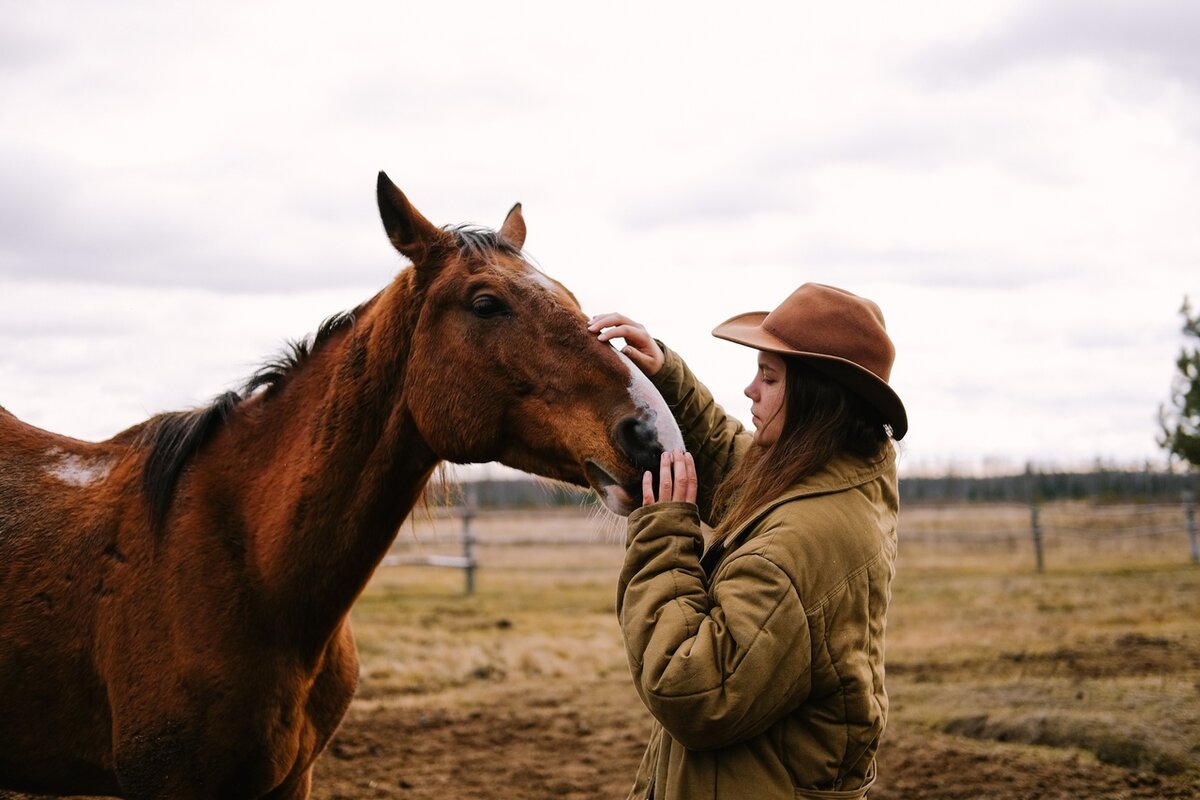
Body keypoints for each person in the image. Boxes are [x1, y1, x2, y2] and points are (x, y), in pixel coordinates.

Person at [588, 282, 906, 800]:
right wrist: (667, 379)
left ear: (816, 397)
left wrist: (663, 535)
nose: (750, 390)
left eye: (770, 376)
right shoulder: (843, 474)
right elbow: (738, 465)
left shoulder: (795, 549)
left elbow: (692, 688)